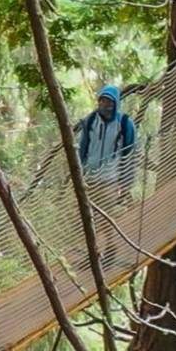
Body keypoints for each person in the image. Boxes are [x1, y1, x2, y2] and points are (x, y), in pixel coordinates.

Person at [76, 84, 137, 264]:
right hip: (90, 177)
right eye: (102, 100)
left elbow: (130, 155)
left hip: (110, 179)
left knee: (105, 216)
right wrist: (79, 173)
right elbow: (82, 148)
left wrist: (126, 184)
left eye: (109, 101)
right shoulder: (90, 121)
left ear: (116, 103)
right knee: (87, 217)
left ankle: (110, 248)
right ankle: (92, 253)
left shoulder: (125, 124)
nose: (105, 105)